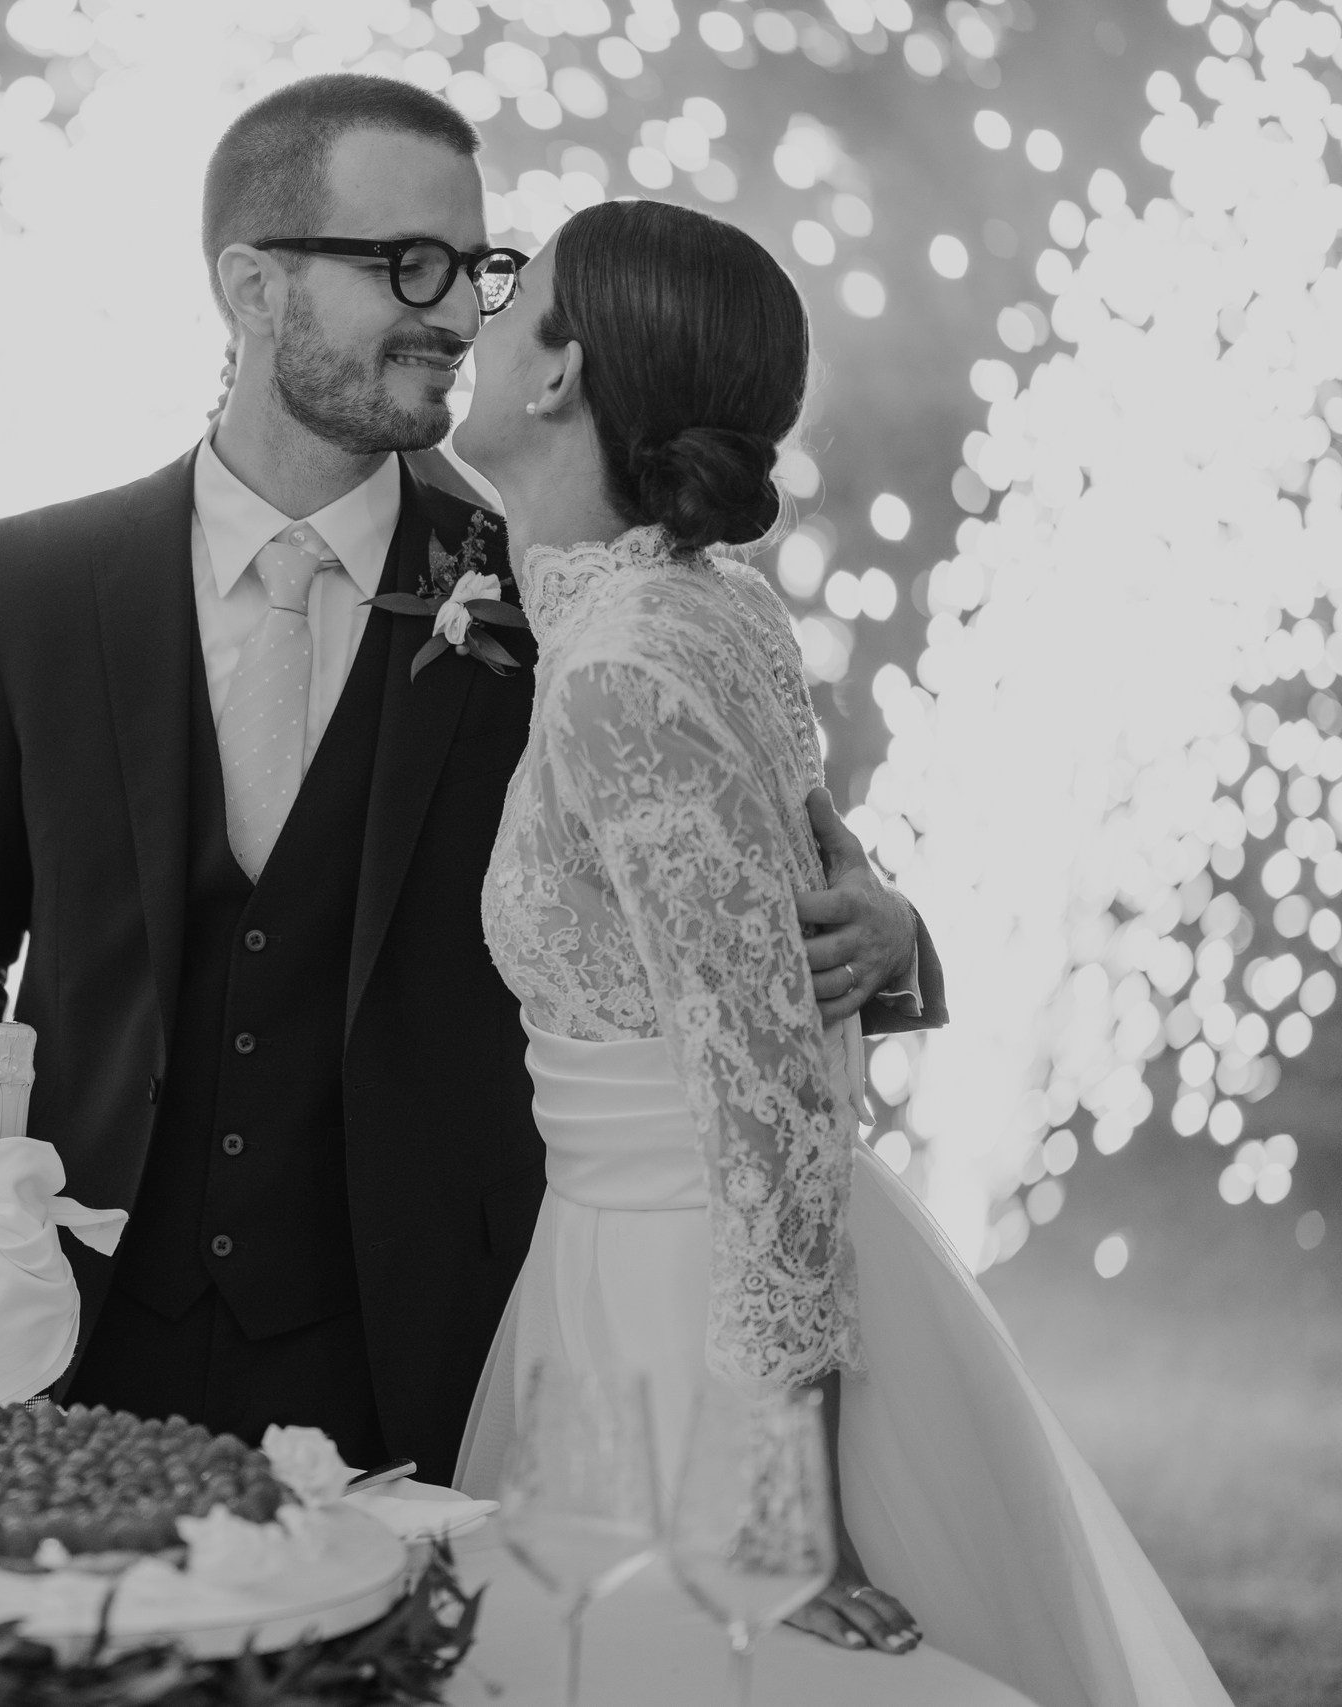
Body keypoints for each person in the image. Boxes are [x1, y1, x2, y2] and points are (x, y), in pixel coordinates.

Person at [0, 72, 932, 1524]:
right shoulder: (35, 583)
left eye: (478, 271)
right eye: (404, 265)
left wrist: (895, 937)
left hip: (429, 1344)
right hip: (81, 1323)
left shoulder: (564, 585)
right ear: (253, 286)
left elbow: (745, 874)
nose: (454, 312)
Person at [446, 195, 1231, 1705]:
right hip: (626, 1254)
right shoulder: (699, 602)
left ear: (559, 374)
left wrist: (786, 1511)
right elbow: (805, 897)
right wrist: (891, 920)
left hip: (688, 1309)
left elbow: (768, 1101)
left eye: (508, 295)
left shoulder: (623, 668)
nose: (476, 319)